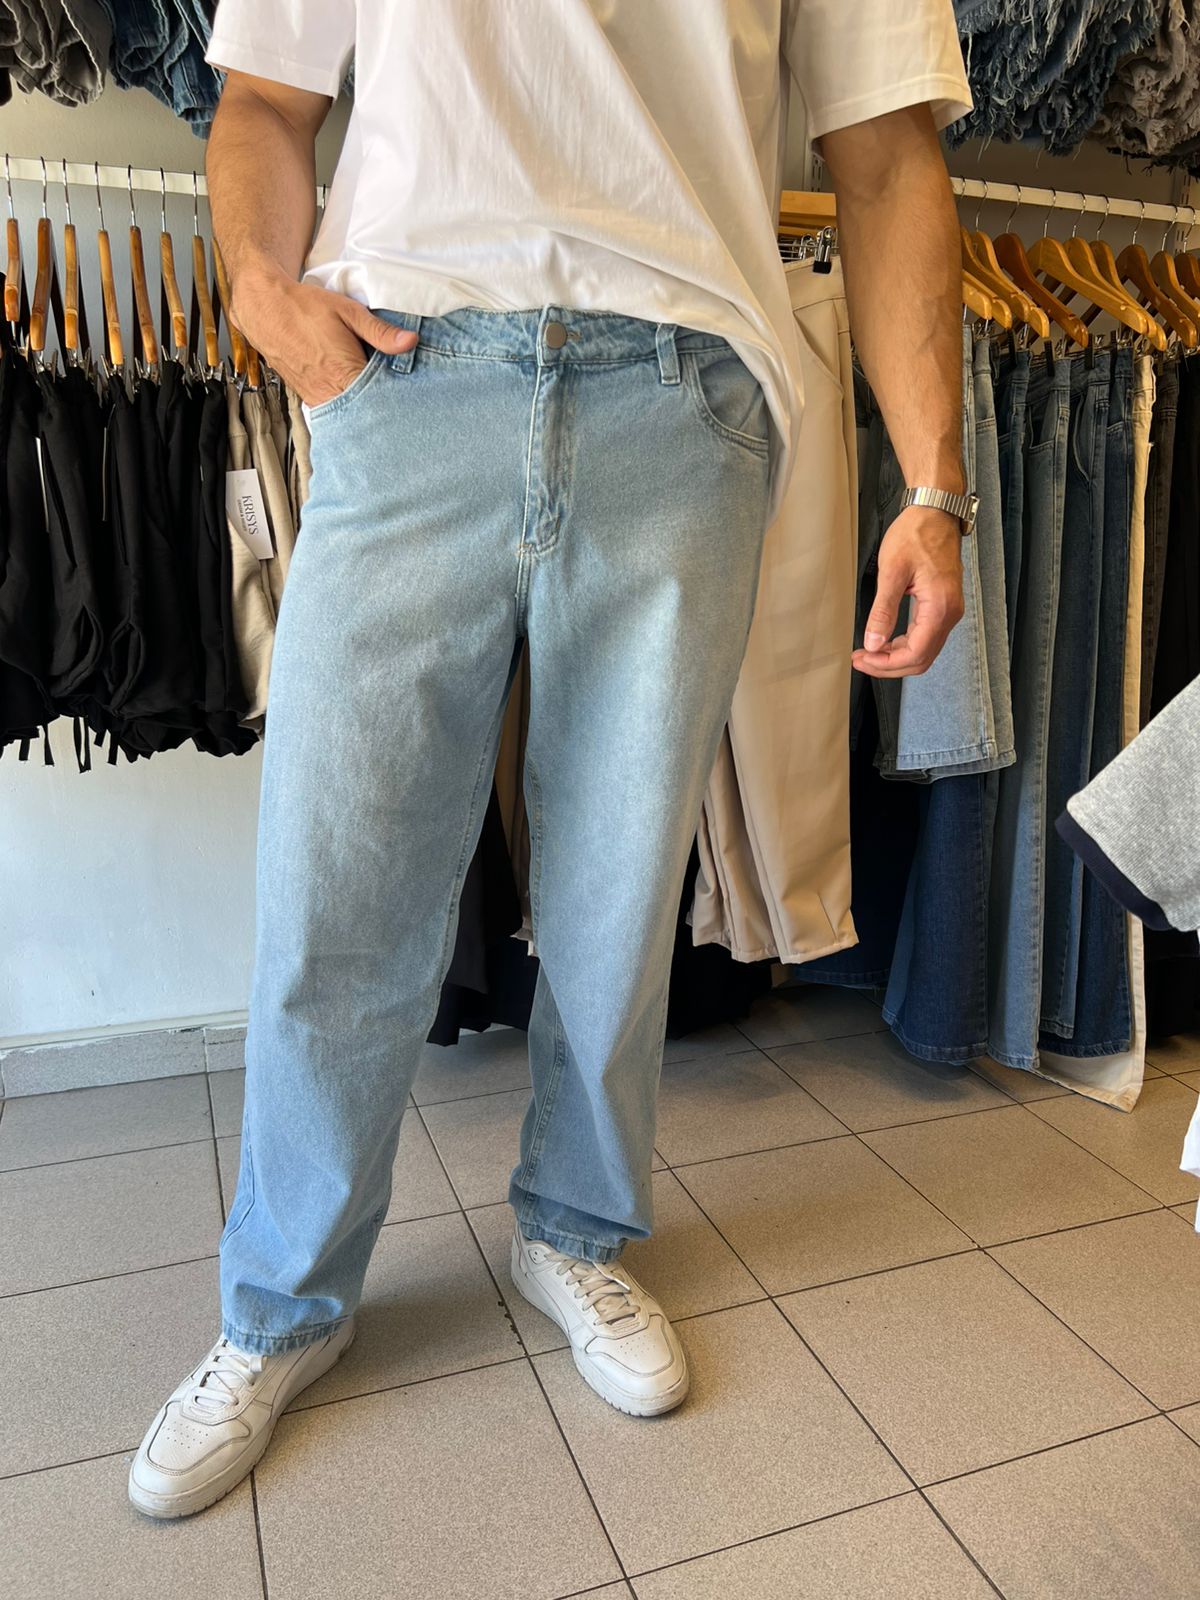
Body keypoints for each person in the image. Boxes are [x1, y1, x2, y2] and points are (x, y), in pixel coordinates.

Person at [129, 0, 973, 1519]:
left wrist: (935, 486)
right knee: (338, 877)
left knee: (619, 878)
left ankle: (576, 1228)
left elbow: (889, 149)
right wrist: (260, 285)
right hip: (409, 370)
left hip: (681, 393)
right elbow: (263, 97)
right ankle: (282, 1305)